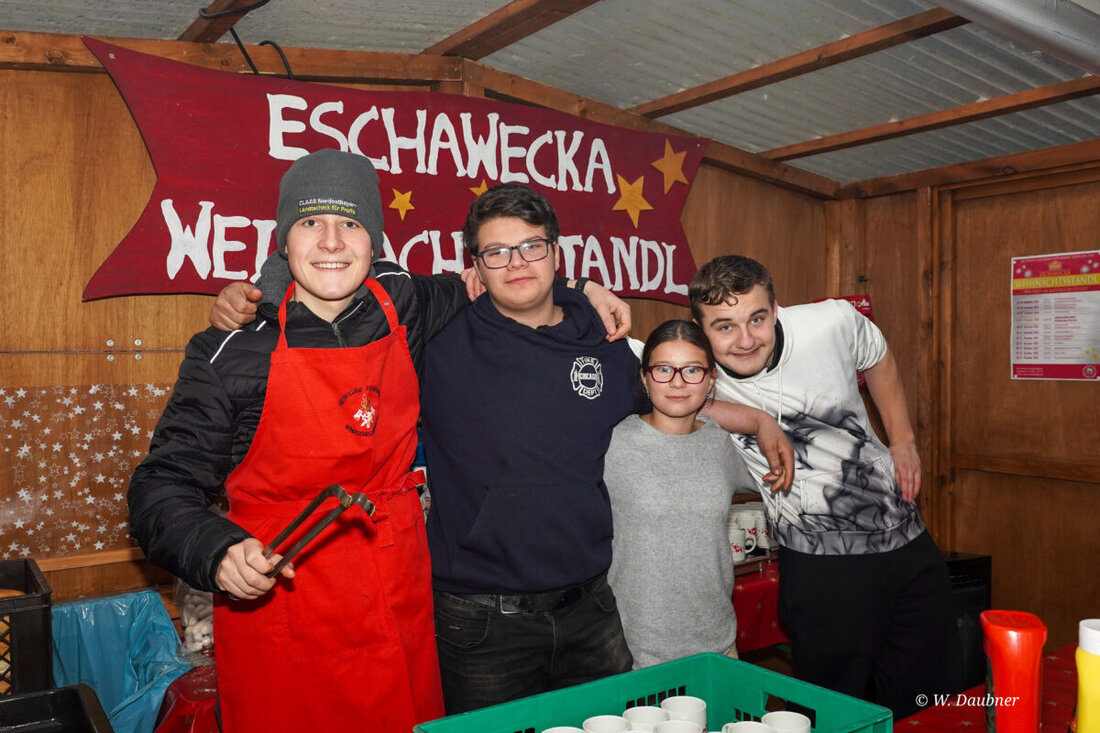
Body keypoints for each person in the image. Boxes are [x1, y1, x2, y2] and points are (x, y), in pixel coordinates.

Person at [128, 149, 472, 732]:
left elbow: (497, 278)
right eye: (311, 223)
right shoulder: (231, 352)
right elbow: (161, 487)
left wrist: (585, 290)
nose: (332, 242)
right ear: (284, 241)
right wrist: (217, 550)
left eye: (351, 224)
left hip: (397, 595)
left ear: (375, 242)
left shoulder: (405, 304)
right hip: (284, 607)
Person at [689, 254, 957, 719]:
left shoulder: (830, 322)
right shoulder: (689, 368)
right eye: (725, 326)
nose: (746, 339)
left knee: (926, 699)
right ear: (699, 327)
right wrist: (755, 420)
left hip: (909, 543)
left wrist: (904, 439)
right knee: (834, 708)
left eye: (757, 318)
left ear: (776, 309)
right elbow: (645, 385)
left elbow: (876, 356)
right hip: (821, 568)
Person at [604, 319, 756, 670]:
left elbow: (778, 481)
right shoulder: (613, 442)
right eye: (663, 369)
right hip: (634, 652)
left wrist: (765, 423)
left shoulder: (720, 442)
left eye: (692, 369)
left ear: (711, 379)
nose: (677, 382)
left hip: (718, 645)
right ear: (644, 377)